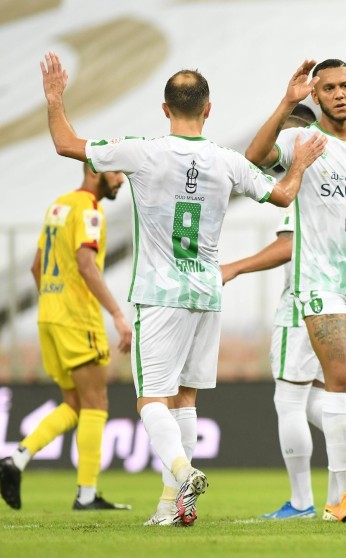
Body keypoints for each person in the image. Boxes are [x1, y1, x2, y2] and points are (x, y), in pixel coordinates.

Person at [39, 51, 326, 526]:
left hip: (160, 294)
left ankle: (183, 471)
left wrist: (54, 97)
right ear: (208, 109)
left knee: (152, 400)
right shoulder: (227, 161)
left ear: (164, 108)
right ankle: (171, 508)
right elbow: (283, 195)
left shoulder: (142, 151)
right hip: (207, 292)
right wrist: (299, 164)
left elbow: (66, 143)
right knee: (186, 400)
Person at [244, 59, 346, 523]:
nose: (338, 94)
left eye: (344, 86)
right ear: (316, 96)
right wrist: (287, 102)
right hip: (319, 282)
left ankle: (341, 492)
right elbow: (254, 157)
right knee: (337, 382)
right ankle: (345, 495)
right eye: (329, 88)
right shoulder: (301, 140)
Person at [220, 104, 346, 520]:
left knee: (290, 400)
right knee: (328, 396)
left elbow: (289, 244)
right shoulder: (337, 171)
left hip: (306, 299)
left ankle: (301, 501)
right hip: (341, 296)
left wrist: (236, 266)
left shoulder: (304, 175)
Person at [0, 164, 132, 511]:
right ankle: (86, 495)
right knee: (96, 403)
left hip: (49, 315)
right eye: (116, 172)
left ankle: (16, 459)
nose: (121, 179)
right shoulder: (90, 210)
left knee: (74, 404)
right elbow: (86, 264)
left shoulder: (58, 206)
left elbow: (36, 267)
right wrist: (118, 314)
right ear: (95, 171)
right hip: (77, 319)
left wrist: (54, 305)